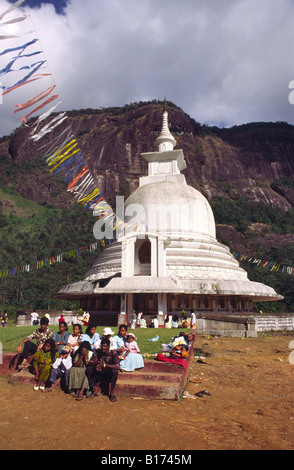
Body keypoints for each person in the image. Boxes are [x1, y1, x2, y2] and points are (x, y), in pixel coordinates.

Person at [86, 337, 120, 402]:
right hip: (99, 373)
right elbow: (92, 361)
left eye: (105, 346)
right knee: (89, 368)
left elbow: (117, 366)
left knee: (114, 371)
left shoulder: (113, 353)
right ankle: (94, 389)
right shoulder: (98, 352)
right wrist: (97, 364)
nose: (103, 348)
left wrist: (105, 365)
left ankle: (112, 393)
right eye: (102, 346)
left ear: (108, 347)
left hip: (108, 375)